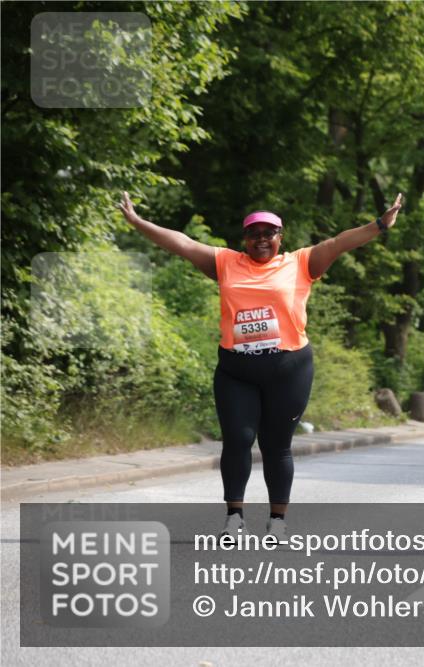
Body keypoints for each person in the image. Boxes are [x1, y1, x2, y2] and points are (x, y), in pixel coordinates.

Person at [118, 191, 402, 538]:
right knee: (237, 440)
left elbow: (338, 243)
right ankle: (234, 517)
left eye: (269, 233)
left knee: (276, 445)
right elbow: (183, 243)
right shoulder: (225, 262)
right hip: (237, 370)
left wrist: (379, 224)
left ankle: (277, 520)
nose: (262, 239)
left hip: (289, 369)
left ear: (280, 237)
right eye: (254, 234)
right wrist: (138, 222)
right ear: (245, 239)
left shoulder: (300, 262)